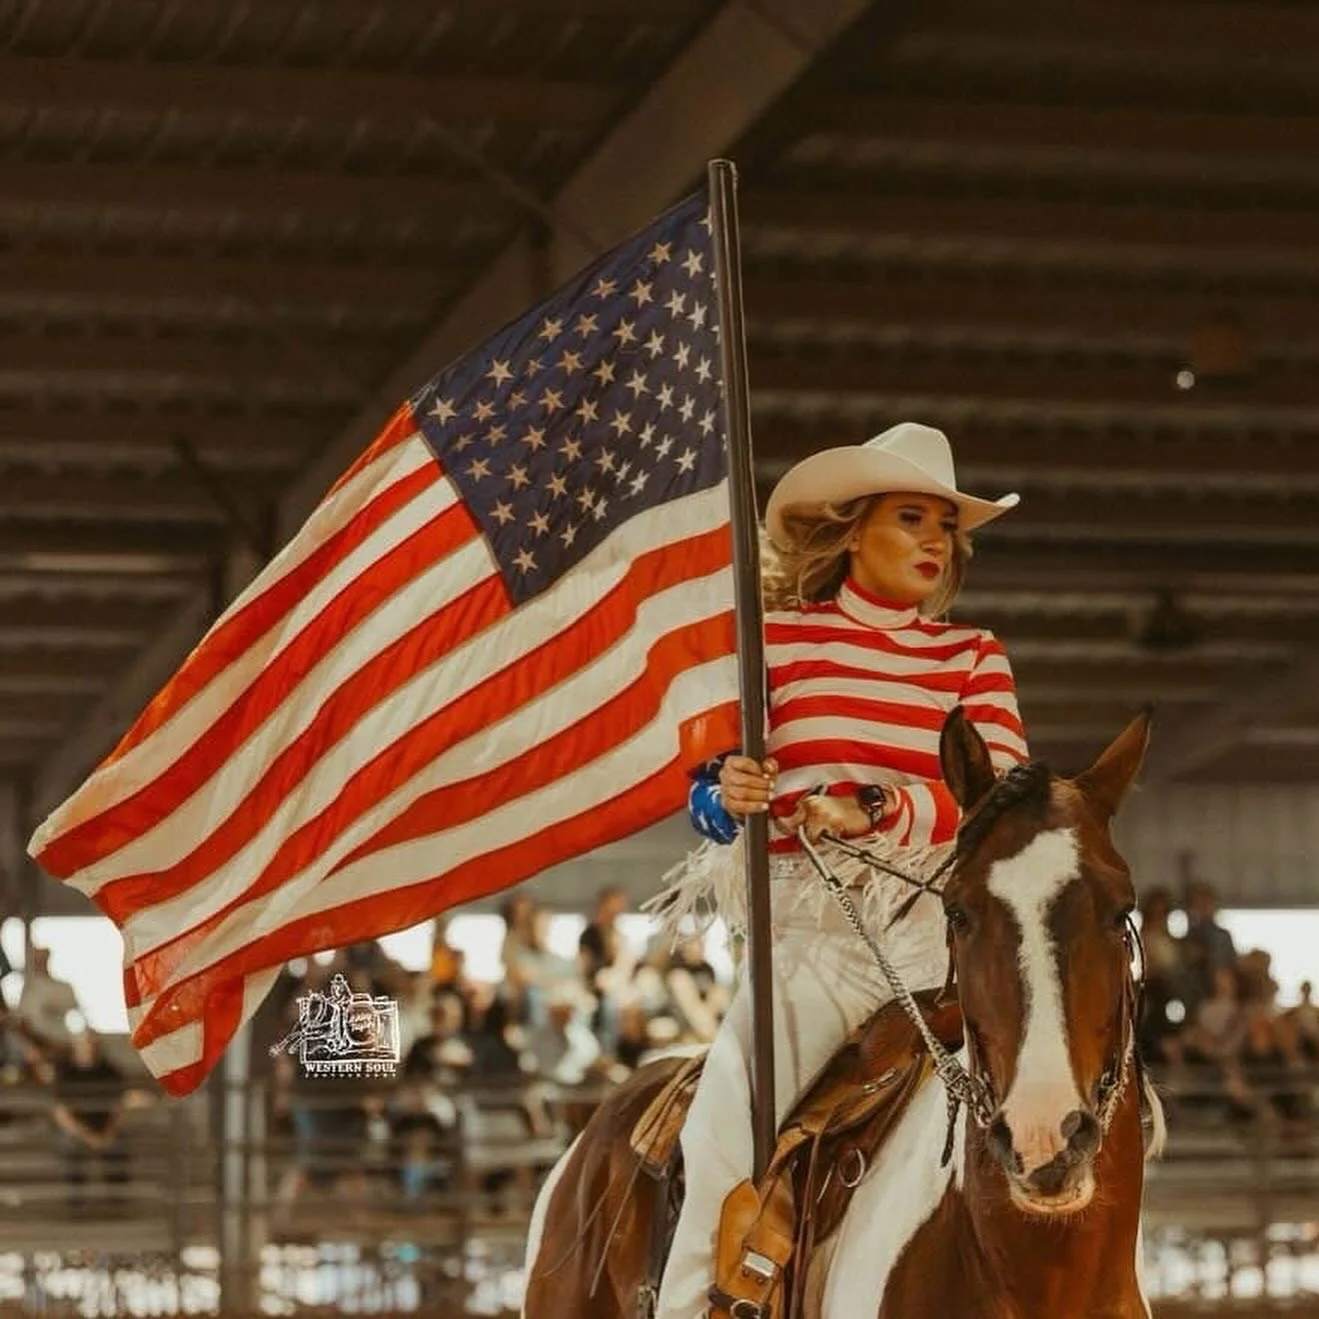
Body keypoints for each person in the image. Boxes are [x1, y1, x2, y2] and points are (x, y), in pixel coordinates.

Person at [653, 422, 1026, 1319]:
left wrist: (878, 807)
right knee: (725, 1130)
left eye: (947, 525)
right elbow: (702, 785)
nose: (936, 540)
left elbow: (1002, 794)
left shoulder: (970, 655)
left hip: (936, 934)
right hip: (810, 934)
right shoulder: (773, 638)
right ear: (853, 530)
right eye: (911, 518)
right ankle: (685, 1308)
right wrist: (726, 790)